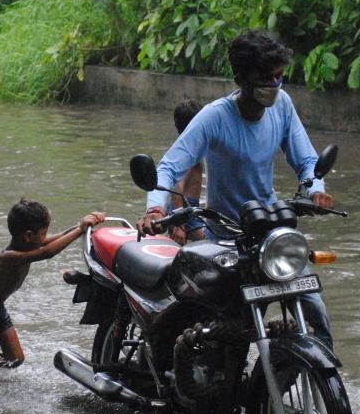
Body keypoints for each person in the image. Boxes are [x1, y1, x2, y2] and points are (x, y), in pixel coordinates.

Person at [136, 29, 335, 347]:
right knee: (228, 332)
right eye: (265, 77)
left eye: (278, 76)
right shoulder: (214, 117)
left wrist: (315, 189)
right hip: (225, 239)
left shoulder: (282, 105)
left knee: (315, 311)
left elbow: (307, 161)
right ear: (243, 78)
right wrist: (156, 207)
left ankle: (319, 379)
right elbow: (170, 166)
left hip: (269, 233)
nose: (274, 85)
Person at [0, 199, 106, 381]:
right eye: (44, 232)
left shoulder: (30, 244)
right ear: (28, 235)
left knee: (15, 359)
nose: (46, 236)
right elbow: (47, 252)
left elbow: (48, 243)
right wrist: (80, 229)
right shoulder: (8, 257)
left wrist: (81, 226)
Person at [169, 99, 205, 245]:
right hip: (185, 213)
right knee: (215, 247)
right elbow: (177, 186)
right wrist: (179, 224)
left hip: (186, 210)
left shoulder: (186, 147)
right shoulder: (189, 152)